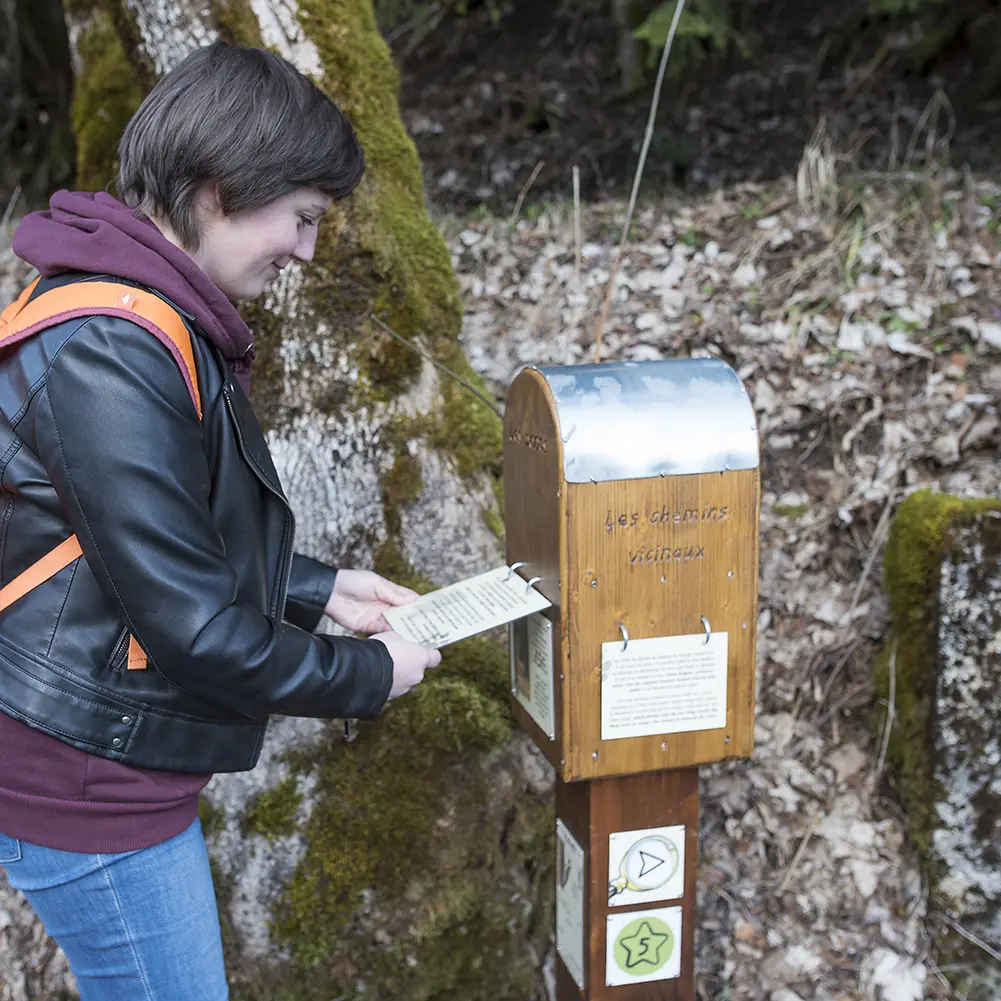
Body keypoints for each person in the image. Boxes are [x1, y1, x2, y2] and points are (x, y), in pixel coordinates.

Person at [0, 41, 441, 1000]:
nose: (309, 249)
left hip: (101, 759)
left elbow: (143, 539)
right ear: (217, 188)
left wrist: (318, 589)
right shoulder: (111, 345)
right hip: (85, 782)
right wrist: (371, 674)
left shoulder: (142, 315)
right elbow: (194, 625)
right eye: (302, 218)